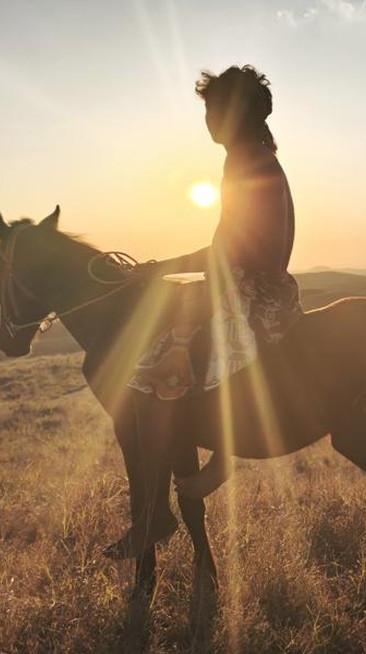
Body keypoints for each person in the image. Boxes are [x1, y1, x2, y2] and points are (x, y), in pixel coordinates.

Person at [106, 65, 301, 558]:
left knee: (148, 377)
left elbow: (238, 251)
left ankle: (163, 508)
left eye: (214, 109)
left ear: (236, 113)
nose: (208, 119)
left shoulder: (246, 161)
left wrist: (187, 275)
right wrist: (169, 266)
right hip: (253, 286)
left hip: (250, 294)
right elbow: (228, 244)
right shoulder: (255, 156)